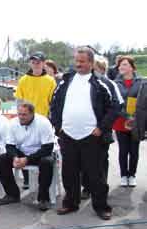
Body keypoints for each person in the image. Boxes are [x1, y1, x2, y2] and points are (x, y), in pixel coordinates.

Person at [50, 47, 118, 220]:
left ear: (91, 63)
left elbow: (115, 107)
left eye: (82, 61)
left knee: (96, 175)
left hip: (92, 137)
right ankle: (71, 203)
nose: (78, 64)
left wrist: (102, 127)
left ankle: (101, 207)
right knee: (69, 173)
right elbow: (54, 104)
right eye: (77, 61)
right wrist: (58, 126)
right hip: (68, 136)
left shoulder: (102, 82)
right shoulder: (65, 81)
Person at [0, 102, 55, 211]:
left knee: (47, 162)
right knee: (2, 159)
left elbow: (48, 148)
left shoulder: (43, 122)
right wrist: (15, 158)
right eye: (19, 114)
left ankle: (43, 199)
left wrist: (27, 159)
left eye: (24, 115)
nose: (21, 117)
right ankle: (12, 194)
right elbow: (9, 145)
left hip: (40, 153)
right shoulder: (13, 123)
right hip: (21, 153)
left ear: (32, 114)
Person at [81, 56, 124, 199]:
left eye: (96, 68)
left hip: (101, 131)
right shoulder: (83, 84)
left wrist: (102, 126)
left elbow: (116, 107)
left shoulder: (110, 84)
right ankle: (86, 188)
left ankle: (100, 189)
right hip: (84, 131)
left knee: (101, 161)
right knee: (85, 161)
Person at [14, 51, 56, 190]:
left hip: (43, 120)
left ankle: (43, 181)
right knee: (23, 147)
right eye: (33, 61)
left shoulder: (50, 81)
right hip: (26, 120)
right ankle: (26, 179)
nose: (35, 64)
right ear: (30, 63)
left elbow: (52, 102)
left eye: (38, 61)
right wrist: (19, 116)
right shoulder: (23, 80)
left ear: (44, 63)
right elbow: (19, 100)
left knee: (42, 150)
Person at [112, 56, 144, 187]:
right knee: (123, 150)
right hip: (121, 120)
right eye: (120, 65)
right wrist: (126, 116)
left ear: (131, 67)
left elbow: (144, 100)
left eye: (124, 64)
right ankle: (124, 175)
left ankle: (132, 175)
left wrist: (135, 116)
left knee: (134, 150)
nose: (121, 67)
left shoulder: (141, 81)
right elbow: (114, 102)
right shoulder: (115, 83)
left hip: (136, 120)